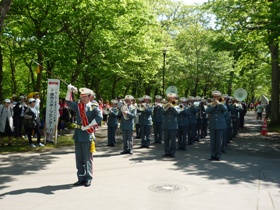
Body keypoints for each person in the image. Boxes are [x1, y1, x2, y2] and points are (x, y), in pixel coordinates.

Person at [65, 85, 103, 187]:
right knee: (79, 159)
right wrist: (69, 91)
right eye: (81, 97)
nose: (81, 98)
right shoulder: (78, 106)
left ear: (89, 97)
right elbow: (68, 102)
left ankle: (88, 178)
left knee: (87, 158)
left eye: (84, 97)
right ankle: (81, 178)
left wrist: (89, 126)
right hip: (78, 134)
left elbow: (100, 117)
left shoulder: (93, 106)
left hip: (87, 134)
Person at [206, 91, 227, 161]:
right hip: (212, 125)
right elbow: (207, 111)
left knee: (218, 141)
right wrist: (213, 106)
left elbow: (225, 110)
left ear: (219, 97)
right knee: (212, 141)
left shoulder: (222, 104)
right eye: (214, 97)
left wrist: (220, 104)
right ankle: (212, 155)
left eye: (217, 97)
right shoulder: (210, 104)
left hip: (220, 125)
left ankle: (218, 155)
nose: (215, 98)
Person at [162, 93, 179, 158]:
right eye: (169, 99)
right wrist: (166, 107)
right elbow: (161, 112)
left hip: (173, 126)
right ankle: (166, 152)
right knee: (166, 140)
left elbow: (177, 113)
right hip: (166, 125)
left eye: (171, 99)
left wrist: (172, 107)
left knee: (173, 140)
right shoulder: (165, 105)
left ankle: (172, 152)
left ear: (174, 99)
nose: (169, 100)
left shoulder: (176, 105)